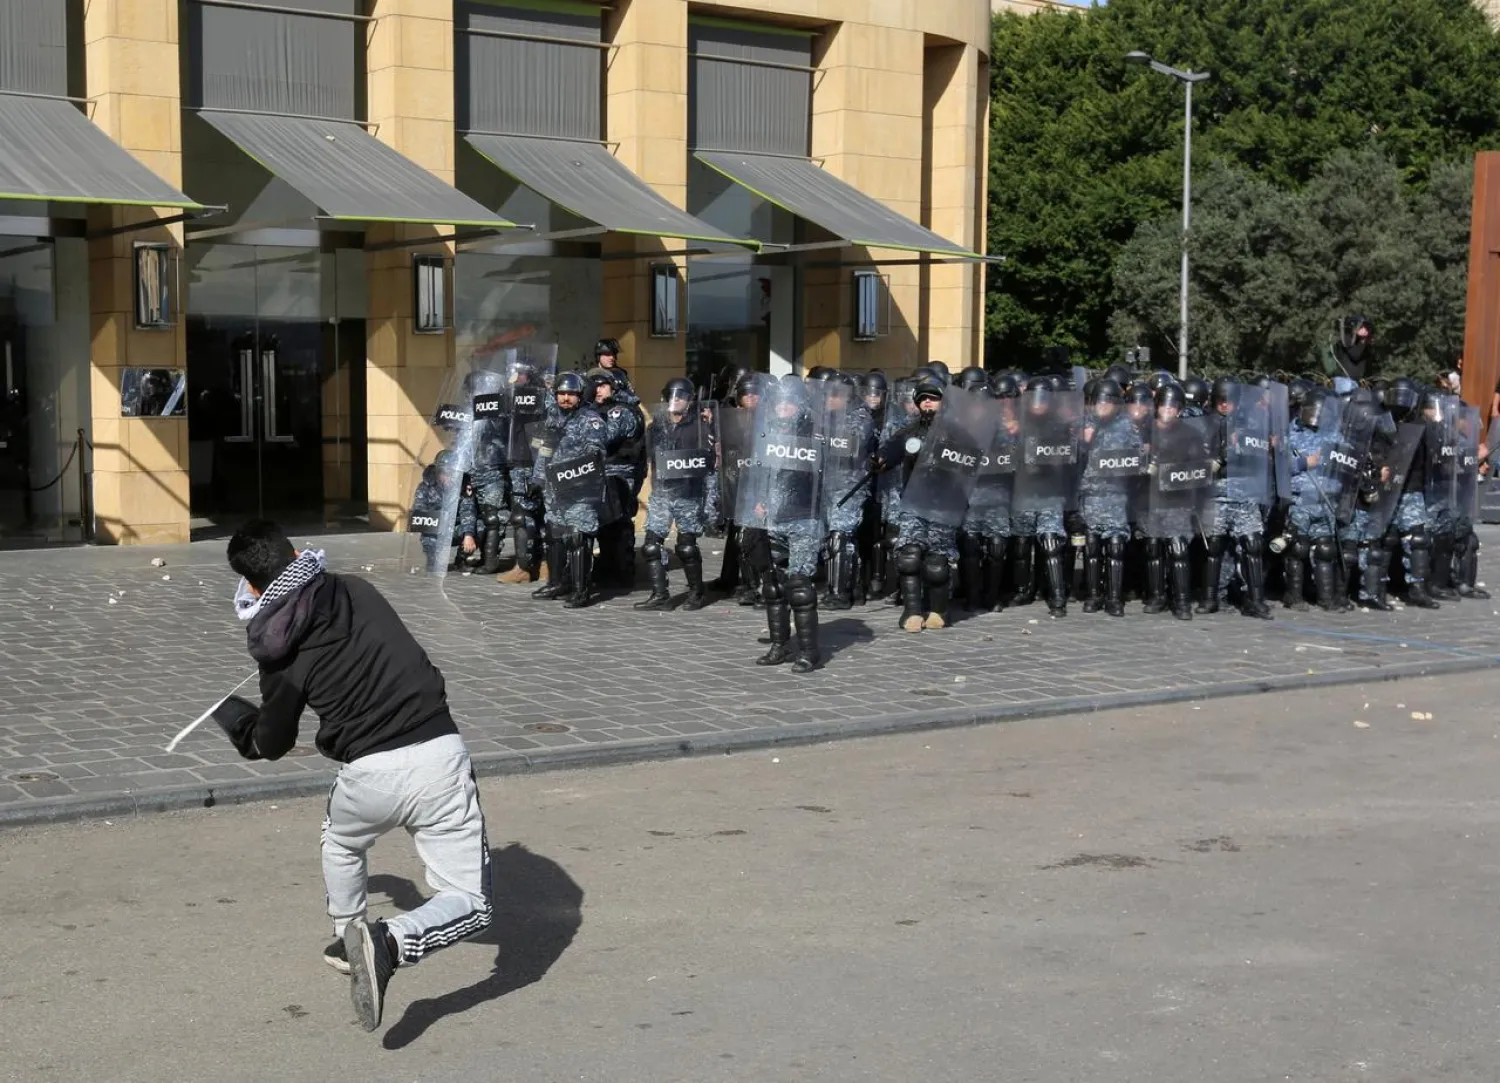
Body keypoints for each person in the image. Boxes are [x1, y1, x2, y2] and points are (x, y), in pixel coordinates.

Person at [221, 520, 491, 1033]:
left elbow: (272, 745)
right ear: (297, 552)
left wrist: (245, 727)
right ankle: (389, 941)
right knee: (471, 905)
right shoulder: (356, 589)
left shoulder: (277, 658)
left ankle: (350, 933)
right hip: (438, 752)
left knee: (341, 843)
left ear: (252, 588)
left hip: (367, 776)